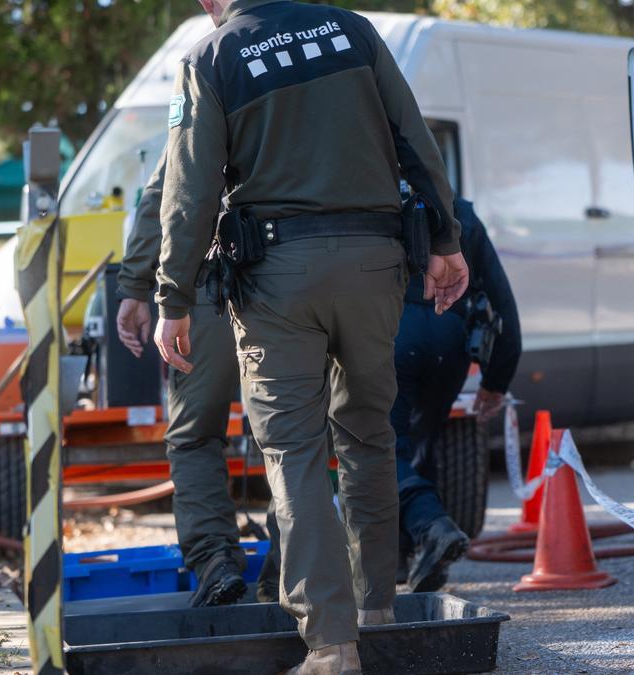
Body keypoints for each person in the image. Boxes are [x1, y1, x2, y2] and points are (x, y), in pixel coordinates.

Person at [152, 1, 469, 673]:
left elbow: (189, 191)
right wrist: (444, 240)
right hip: (376, 265)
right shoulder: (351, 29)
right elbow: (413, 136)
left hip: (278, 280)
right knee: (367, 431)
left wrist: (173, 296)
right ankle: (377, 607)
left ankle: (331, 644)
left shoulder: (211, 60)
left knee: (294, 451)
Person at [115, 153, 249, 607]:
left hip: (214, 291)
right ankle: (292, 568)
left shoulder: (208, 88)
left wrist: (135, 286)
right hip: (298, 287)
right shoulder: (323, 89)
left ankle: (216, 561)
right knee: (295, 436)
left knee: (194, 436)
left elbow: (163, 196)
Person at [393, 196, 522, 593]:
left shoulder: (366, 196)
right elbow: (504, 304)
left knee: (379, 450)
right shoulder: (457, 210)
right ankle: (413, 558)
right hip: (449, 341)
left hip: (389, 336)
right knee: (423, 447)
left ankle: (431, 527)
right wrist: (495, 381)